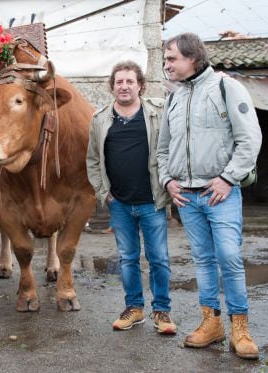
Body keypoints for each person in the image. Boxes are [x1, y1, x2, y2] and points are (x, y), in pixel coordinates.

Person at [158, 32, 261, 359]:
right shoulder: (173, 97)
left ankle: (240, 328)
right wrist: (167, 181)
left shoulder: (225, 87)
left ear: (193, 58)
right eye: (165, 59)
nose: (167, 64)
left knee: (229, 257)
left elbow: (250, 139)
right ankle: (211, 324)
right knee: (202, 260)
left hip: (220, 194)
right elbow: (162, 149)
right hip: (186, 197)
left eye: (172, 58)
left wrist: (228, 179)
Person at [87, 60, 176, 334]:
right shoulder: (100, 118)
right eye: (119, 82)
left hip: (152, 201)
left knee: (158, 257)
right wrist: (104, 192)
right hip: (121, 203)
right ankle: (135, 308)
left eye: (129, 81)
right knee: (127, 258)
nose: (124, 86)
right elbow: (92, 159)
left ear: (140, 85)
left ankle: (162, 311)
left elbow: (172, 149)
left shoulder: (158, 112)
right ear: (112, 87)